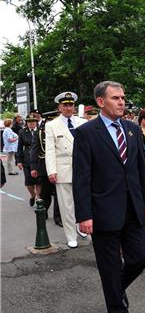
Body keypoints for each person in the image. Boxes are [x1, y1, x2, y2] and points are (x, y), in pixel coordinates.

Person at [72, 81, 145, 313]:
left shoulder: (131, 129)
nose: (122, 102)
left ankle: (116, 289)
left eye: (123, 97)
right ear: (100, 102)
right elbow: (81, 178)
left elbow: (141, 167)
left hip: (133, 207)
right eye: (116, 98)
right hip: (103, 211)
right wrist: (84, 216)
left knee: (140, 258)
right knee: (109, 267)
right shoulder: (87, 133)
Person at [45, 92, 87, 248]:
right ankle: (71, 235)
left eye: (71, 105)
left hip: (82, 168)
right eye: (65, 105)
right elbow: (50, 150)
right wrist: (51, 171)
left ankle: (81, 226)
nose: (69, 108)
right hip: (63, 169)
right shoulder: (51, 125)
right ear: (59, 107)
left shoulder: (82, 122)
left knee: (82, 202)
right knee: (66, 205)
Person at [30, 110, 62, 226]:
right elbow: (34, 150)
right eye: (51, 120)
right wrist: (33, 167)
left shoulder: (61, 129)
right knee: (45, 193)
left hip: (59, 165)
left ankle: (58, 218)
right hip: (44, 166)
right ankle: (44, 212)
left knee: (59, 194)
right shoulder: (39, 132)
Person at [16, 114, 39, 206]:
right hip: (27, 158)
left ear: (36, 122)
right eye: (29, 122)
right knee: (29, 181)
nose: (31, 123)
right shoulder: (22, 132)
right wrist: (19, 161)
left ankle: (38, 197)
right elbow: (19, 147)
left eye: (33, 121)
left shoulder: (40, 130)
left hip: (38, 158)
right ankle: (33, 195)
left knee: (39, 180)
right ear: (27, 123)